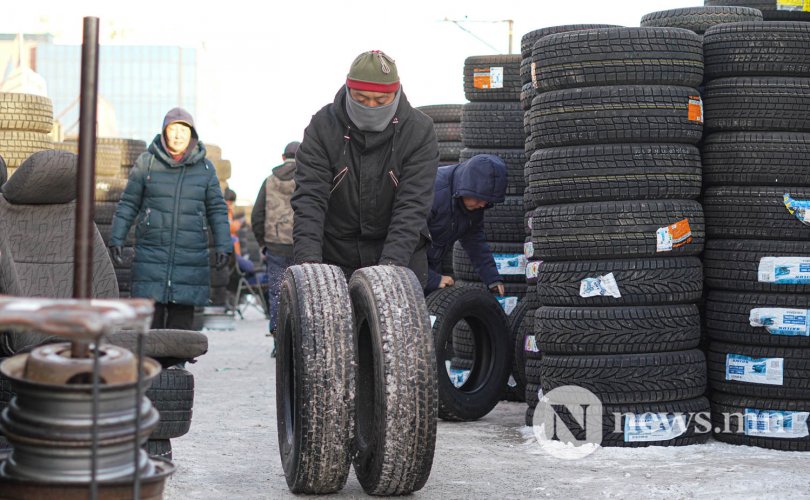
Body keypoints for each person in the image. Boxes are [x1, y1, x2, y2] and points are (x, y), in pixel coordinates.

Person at [291, 50, 439, 285]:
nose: (370, 106)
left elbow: (412, 206)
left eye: (380, 101)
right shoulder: (322, 126)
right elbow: (310, 200)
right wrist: (309, 267)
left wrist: (389, 269)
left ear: (396, 93)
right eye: (361, 99)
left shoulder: (419, 131)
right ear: (349, 90)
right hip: (335, 255)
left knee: (395, 320)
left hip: (398, 254)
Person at [109, 107, 232, 330]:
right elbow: (129, 203)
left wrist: (224, 245)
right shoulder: (147, 162)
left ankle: (177, 364)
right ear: (165, 132)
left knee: (182, 318)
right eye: (173, 129)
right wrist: (116, 237)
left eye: (183, 130)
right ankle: (152, 364)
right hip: (151, 250)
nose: (178, 135)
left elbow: (217, 209)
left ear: (192, 134)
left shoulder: (205, 168)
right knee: (151, 319)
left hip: (190, 252)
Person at [424, 154, 508, 296]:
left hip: (430, 263)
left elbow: (474, 240)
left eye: (487, 201)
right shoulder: (431, 193)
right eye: (480, 199)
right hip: (394, 265)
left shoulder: (473, 204)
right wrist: (430, 278)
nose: (483, 205)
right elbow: (403, 242)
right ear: (467, 187)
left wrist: (492, 278)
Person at [251, 141, 299, 354]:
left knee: (277, 292)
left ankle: (278, 342)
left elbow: (257, 215)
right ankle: (298, 341)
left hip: (275, 245)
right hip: (301, 246)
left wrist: (263, 243)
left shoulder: (269, 181)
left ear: (282, 157)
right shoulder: (307, 178)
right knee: (301, 293)